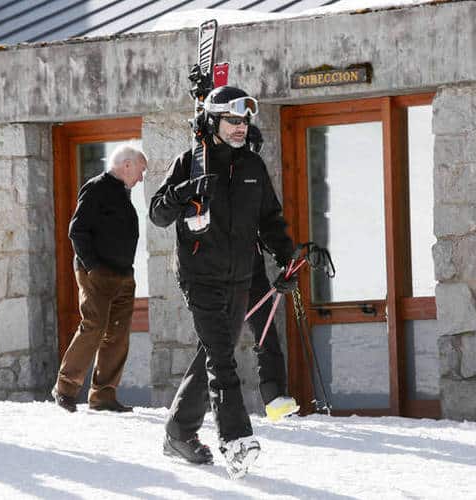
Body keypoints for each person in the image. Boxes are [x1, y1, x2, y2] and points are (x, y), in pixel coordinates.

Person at [150, 86, 297, 478]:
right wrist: (185, 192)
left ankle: (178, 432)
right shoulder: (189, 163)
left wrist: (287, 257)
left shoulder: (252, 167)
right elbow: (158, 214)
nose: (240, 127)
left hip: (240, 276)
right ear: (212, 121)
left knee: (212, 352)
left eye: (244, 121)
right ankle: (236, 440)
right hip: (200, 277)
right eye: (232, 120)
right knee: (221, 357)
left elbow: (270, 220)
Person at [52, 143, 147, 414]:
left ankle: (104, 396)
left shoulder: (122, 193)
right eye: (140, 171)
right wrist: (93, 267)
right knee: (94, 325)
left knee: (117, 334)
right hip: (98, 273)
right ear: (126, 165)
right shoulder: (97, 187)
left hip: (123, 274)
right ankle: (65, 388)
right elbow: (77, 230)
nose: (141, 178)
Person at [248, 248, 300, 421]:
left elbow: (268, 224)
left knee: (266, 334)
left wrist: (286, 261)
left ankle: (275, 399)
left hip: (252, 275)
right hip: (214, 279)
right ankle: (191, 404)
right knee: (212, 344)